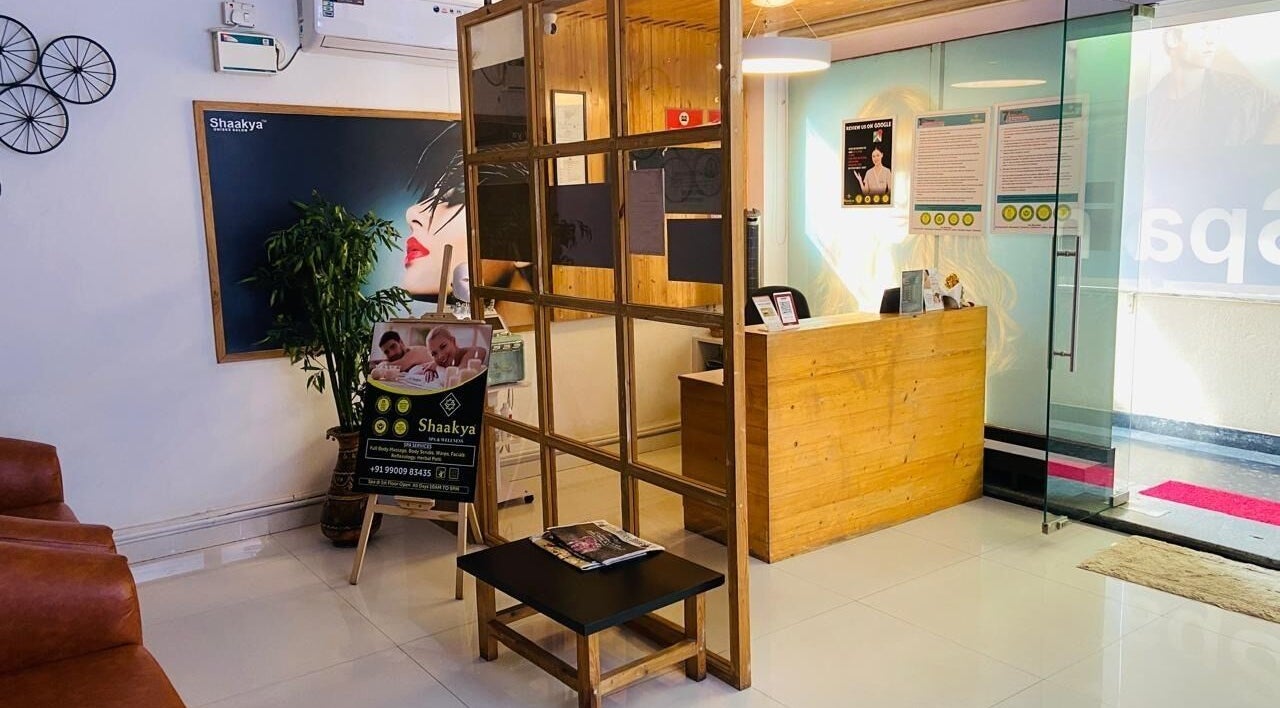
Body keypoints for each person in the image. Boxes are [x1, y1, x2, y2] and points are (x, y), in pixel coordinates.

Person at [372, 330, 437, 380]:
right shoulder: (400, 357)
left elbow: (398, 366)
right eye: (386, 352)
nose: (391, 353)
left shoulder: (416, 351)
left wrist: (379, 364)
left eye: (393, 346)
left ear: (401, 342)